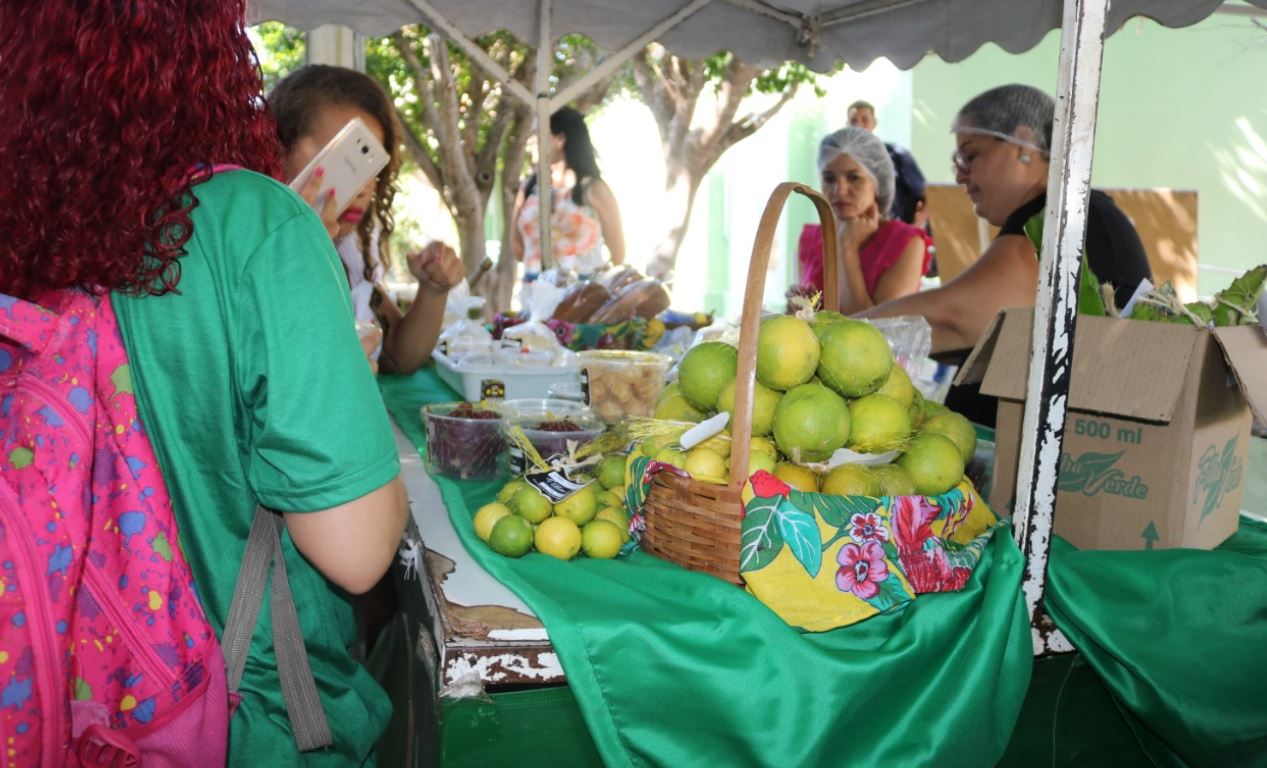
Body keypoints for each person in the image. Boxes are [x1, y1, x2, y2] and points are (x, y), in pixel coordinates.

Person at [1, 3, 409, 764]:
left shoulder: (29, 226)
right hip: (241, 709)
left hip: (73, 699)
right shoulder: (251, 222)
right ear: (202, 46)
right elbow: (358, 552)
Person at [858, 84, 1152, 425]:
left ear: (1023, 145)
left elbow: (954, 318)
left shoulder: (1059, 216)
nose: (959, 174)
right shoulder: (1060, 212)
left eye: (970, 155)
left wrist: (833, 334)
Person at [270, 64, 465, 375]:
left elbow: (398, 356)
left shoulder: (348, 250)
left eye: (367, 164)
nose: (362, 188)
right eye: (342, 159)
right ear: (276, 150)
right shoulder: (250, 252)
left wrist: (433, 290)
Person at [798, 128, 932, 314]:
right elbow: (810, 317)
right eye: (829, 178)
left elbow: (878, 330)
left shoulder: (906, 242)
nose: (840, 190)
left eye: (854, 178)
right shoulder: (811, 239)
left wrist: (846, 250)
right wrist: (800, 311)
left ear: (878, 182)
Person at [511, 107, 626, 273]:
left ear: (560, 139)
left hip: (582, 294)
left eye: (538, 134)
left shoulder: (594, 189)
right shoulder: (529, 187)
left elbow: (618, 253)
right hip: (536, 294)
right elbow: (516, 246)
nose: (531, 141)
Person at [848, 100, 929, 228]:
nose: (859, 125)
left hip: (897, 234)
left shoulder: (897, 155)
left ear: (874, 123)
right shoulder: (844, 161)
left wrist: (915, 228)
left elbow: (927, 197)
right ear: (847, 124)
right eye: (853, 121)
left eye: (865, 120)